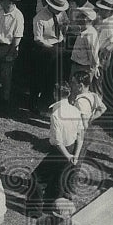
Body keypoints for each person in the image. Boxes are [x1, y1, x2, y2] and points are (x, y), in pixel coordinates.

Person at [29, 82, 86, 216]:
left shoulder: (56, 114)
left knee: (35, 178)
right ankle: (50, 207)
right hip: (72, 149)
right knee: (57, 179)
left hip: (61, 152)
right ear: (68, 94)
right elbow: (80, 135)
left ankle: (35, 210)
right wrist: (75, 156)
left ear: (56, 94)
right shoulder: (75, 110)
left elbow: (57, 142)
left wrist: (67, 156)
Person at [29, 0, 69, 112]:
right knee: (39, 78)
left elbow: (65, 26)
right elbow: (38, 39)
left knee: (54, 78)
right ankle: (33, 103)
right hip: (44, 50)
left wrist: (64, 29)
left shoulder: (61, 14)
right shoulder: (40, 18)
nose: (59, 11)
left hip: (58, 47)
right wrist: (52, 49)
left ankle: (48, 103)